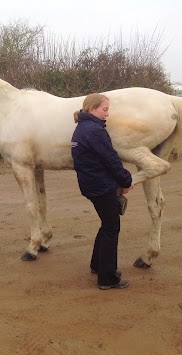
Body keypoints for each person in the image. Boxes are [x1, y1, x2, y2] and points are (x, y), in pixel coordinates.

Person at [71, 93, 134, 290]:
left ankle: (98, 265)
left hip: (92, 184)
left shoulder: (82, 128)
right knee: (111, 227)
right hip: (101, 186)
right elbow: (111, 159)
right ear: (92, 109)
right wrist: (126, 179)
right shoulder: (94, 131)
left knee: (106, 224)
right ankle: (107, 278)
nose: (107, 113)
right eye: (104, 109)